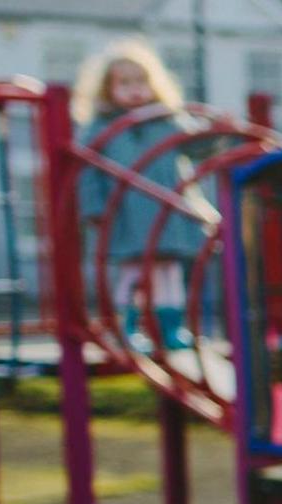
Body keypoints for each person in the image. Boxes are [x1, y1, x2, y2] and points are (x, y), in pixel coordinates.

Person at [74, 39, 206, 352]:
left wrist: (218, 132)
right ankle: (128, 327)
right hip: (127, 214)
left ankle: (171, 328)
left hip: (166, 213)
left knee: (169, 272)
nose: (135, 89)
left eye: (141, 81)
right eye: (124, 83)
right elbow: (88, 172)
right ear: (107, 89)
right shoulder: (101, 127)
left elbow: (198, 146)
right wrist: (94, 209)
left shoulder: (167, 120)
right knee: (133, 273)